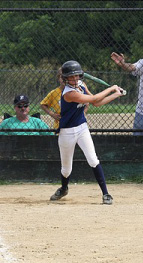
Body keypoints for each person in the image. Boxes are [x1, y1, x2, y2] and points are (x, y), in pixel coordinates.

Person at [49, 60, 125, 205]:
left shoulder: (82, 86)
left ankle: (106, 194)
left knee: (93, 159)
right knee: (66, 169)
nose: (75, 79)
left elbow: (96, 103)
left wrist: (116, 94)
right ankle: (64, 188)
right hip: (67, 132)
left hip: (82, 128)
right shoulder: (69, 93)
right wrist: (111, 88)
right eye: (71, 77)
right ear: (65, 78)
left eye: (77, 75)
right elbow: (94, 98)